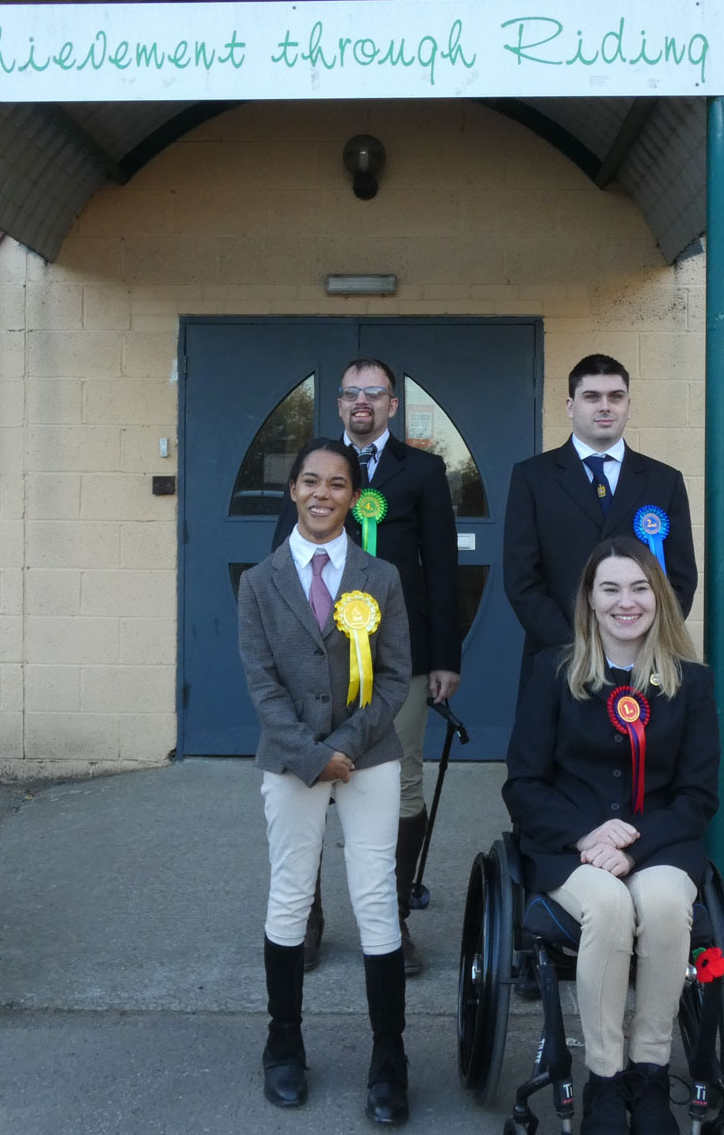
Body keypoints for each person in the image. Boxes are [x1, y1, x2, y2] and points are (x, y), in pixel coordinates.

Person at [502, 536, 720, 1135]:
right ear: (590, 601)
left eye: (640, 588)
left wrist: (633, 843)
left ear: (659, 597)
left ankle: (649, 1073)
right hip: (570, 847)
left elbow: (698, 796)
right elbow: (523, 784)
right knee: (608, 906)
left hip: (661, 843)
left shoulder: (692, 683)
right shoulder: (553, 672)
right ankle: (603, 1077)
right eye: (611, 589)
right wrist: (586, 836)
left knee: (666, 905)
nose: (627, 602)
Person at [239, 437, 412, 1124]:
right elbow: (262, 685)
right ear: (293, 491)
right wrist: (312, 756)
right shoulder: (259, 582)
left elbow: (395, 675)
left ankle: (390, 1056)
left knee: (376, 898)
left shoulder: (381, 576)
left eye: (337, 484)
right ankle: (283, 1043)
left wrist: (343, 746)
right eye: (310, 481)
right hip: (291, 760)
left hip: (369, 756)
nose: (322, 494)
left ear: (353, 497)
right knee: (289, 894)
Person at [272, 357, 461, 975]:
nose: (362, 401)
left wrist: (446, 656)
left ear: (392, 405)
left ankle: (392, 917)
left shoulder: (424, 471)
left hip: (400, 661)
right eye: (351, 392)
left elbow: (442, 567)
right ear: (338, 404)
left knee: (399, 782)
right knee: (309, 777)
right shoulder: (315, 468)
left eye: (374, 393)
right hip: (315, 660)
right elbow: (281, 562)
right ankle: (307, 919)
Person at [503, 353, 697, 704]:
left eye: (615, 397)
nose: (605, 406)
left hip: (644, 665)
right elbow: (521, 580)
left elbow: (681, 579)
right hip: (559, 660)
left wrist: (638, 641)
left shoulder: (664, 481)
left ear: (628, 406)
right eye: (592, 396)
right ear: (570, 406)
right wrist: (578, 647)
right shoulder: (532, 477)